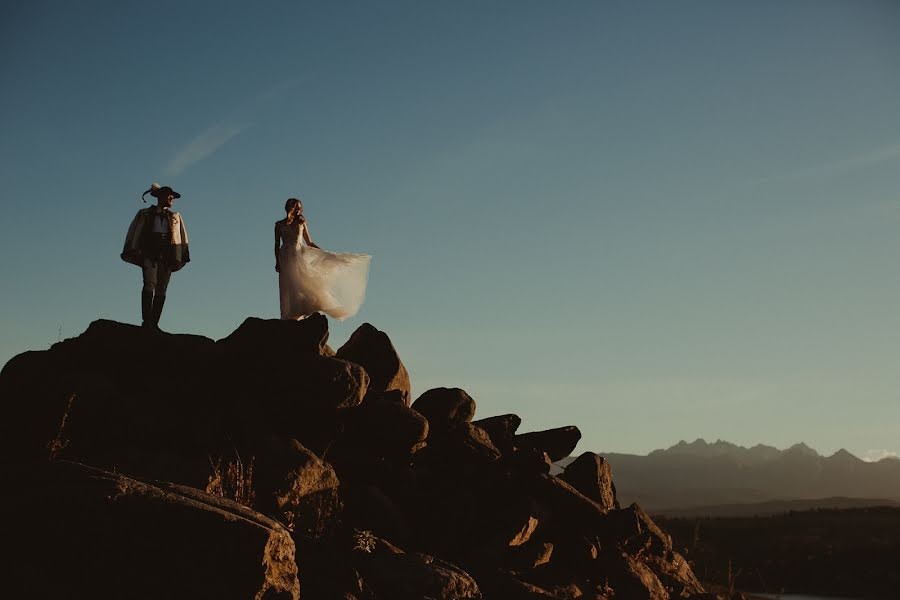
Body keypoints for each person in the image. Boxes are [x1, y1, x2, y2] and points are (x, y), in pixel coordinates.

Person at [275, 197, 370, 320]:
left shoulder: (301, 223)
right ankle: (288, 316)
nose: (299, 210)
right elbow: (276, 245)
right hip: (285, 256)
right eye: (296, 208)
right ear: (289, 208)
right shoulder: (279, 225)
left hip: (298, 254)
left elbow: (309, 242)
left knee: (301, 283)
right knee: (287, 286)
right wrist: (277, 262)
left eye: (300, 208)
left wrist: (325, 253)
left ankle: (298, 314)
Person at [121, 183, 190, 330]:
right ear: (160, 197)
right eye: (169, 195)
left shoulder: (175, 217)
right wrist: (135, 249)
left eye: (172, 196)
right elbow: (136, 231)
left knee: (162, 288)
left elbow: (181, 238)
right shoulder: (145, 214)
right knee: (149, 284)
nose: (171, 198)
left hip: (167, 256)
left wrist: (181, 255)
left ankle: (154, 323)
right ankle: (147, 322)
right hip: (150, 253)